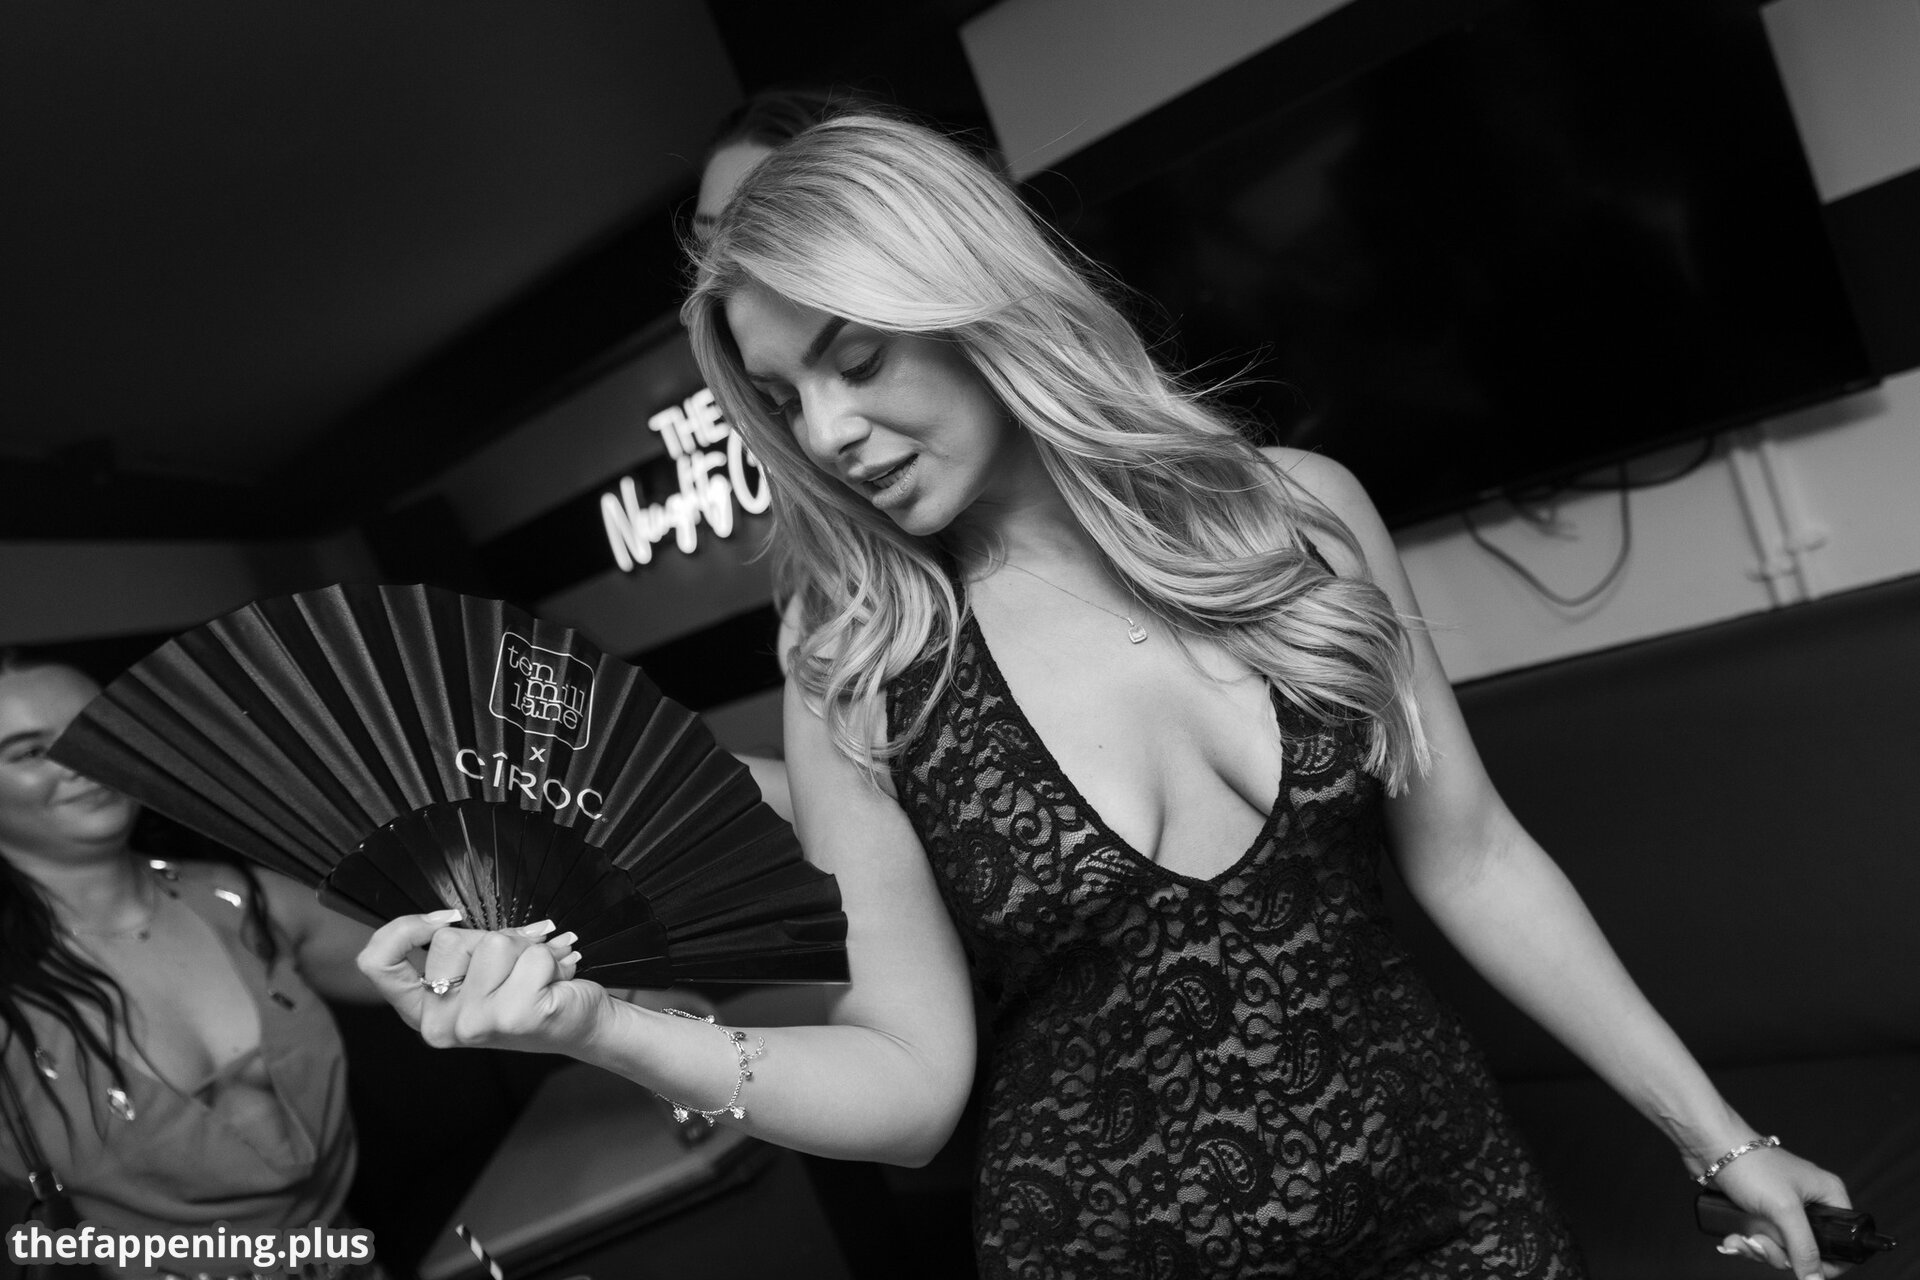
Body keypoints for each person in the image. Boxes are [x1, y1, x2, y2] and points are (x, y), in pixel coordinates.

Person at [359, 114, 1852, 1278]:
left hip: (1455, 1216)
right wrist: (601, 1026)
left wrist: (1721, 1143)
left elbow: (1476, 858)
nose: (829, 432)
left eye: (856, 358)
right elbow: (909, 1089)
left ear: (972, 295)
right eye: (786, 400)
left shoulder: (1298, 515)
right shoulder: (860, 665)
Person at [0, 651, 388, 1279]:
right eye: (30, 751)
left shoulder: (247, 900)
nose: (78, 758)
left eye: (95, 726)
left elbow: (453, 981)